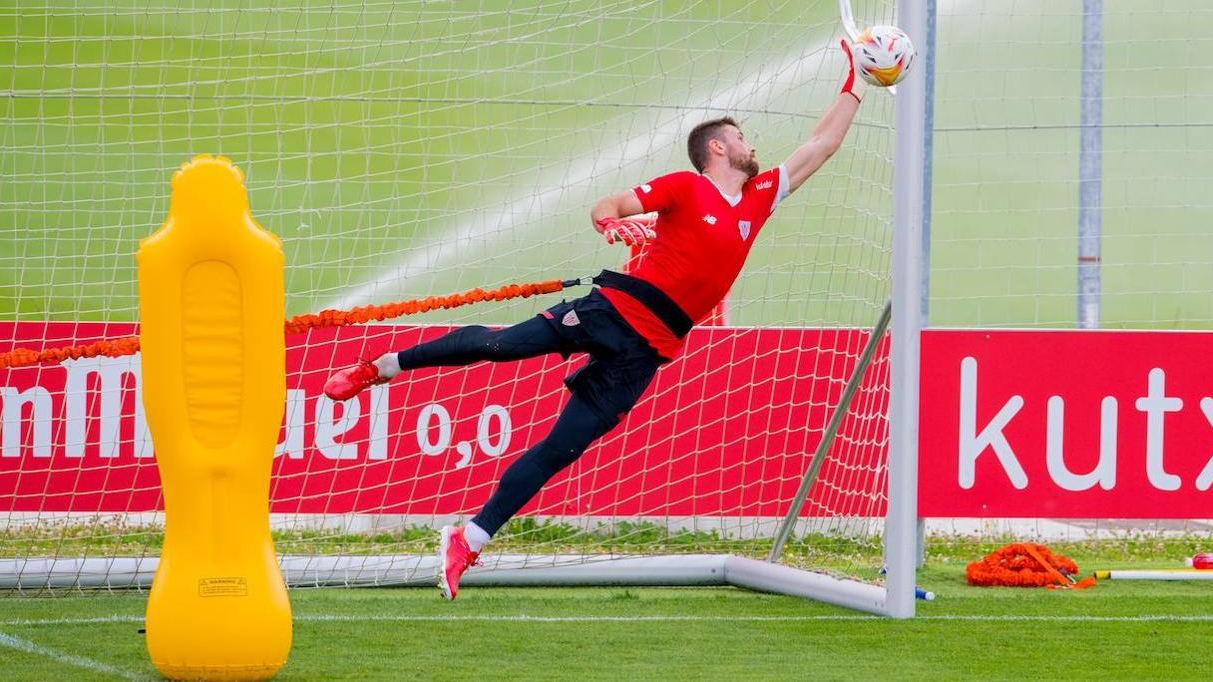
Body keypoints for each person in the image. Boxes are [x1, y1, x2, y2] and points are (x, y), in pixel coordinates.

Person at [322, 40, 868, 600]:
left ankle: (469, 539)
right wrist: (611, 224)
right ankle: (382, 366)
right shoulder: (685, 186)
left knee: (564, 448)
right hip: (611, 312)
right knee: (503, 346)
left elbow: (820, 146)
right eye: (742, 137)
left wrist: (857, 81)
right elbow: (609, 204)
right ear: (717, 148)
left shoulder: (759, 198)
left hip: (647, 352)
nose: (752, 145)